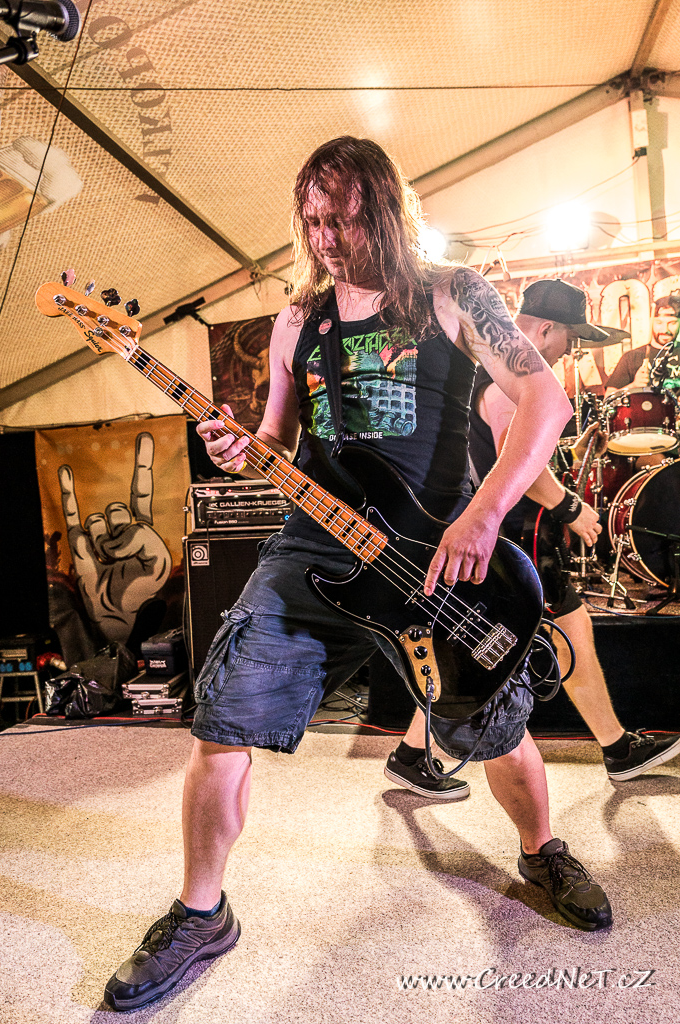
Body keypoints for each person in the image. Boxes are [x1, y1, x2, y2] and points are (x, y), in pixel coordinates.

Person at [104, 139, 611, 1011]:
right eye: (312, 221)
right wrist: (239, 450)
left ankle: (541, 851)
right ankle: (200, 911)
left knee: (489, 723)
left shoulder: (453, 294)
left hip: (437, 553)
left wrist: (483, 513)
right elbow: (275, 439)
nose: (326, 238)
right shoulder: (297, 319)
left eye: (342, 219)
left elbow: (545, 402)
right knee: (223, 719)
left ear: (384, 209)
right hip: (315, 549)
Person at [385, 279, 680, 797]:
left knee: (546, 635)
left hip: (504, 535)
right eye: (569, 337)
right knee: (566, 633)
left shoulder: (483, 367)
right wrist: (571, 507)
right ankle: (617, 750)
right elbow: (514, 459)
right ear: (544, 329)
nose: (570, 349)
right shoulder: (507, 380)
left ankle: (410, 755)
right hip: (514, 536)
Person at [606, 292, 680, 393]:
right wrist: (634, 385)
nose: (665, 329)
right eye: (659, 323)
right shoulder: (632, 357)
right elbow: (608, 397)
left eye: (672, 323)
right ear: (651, 321)